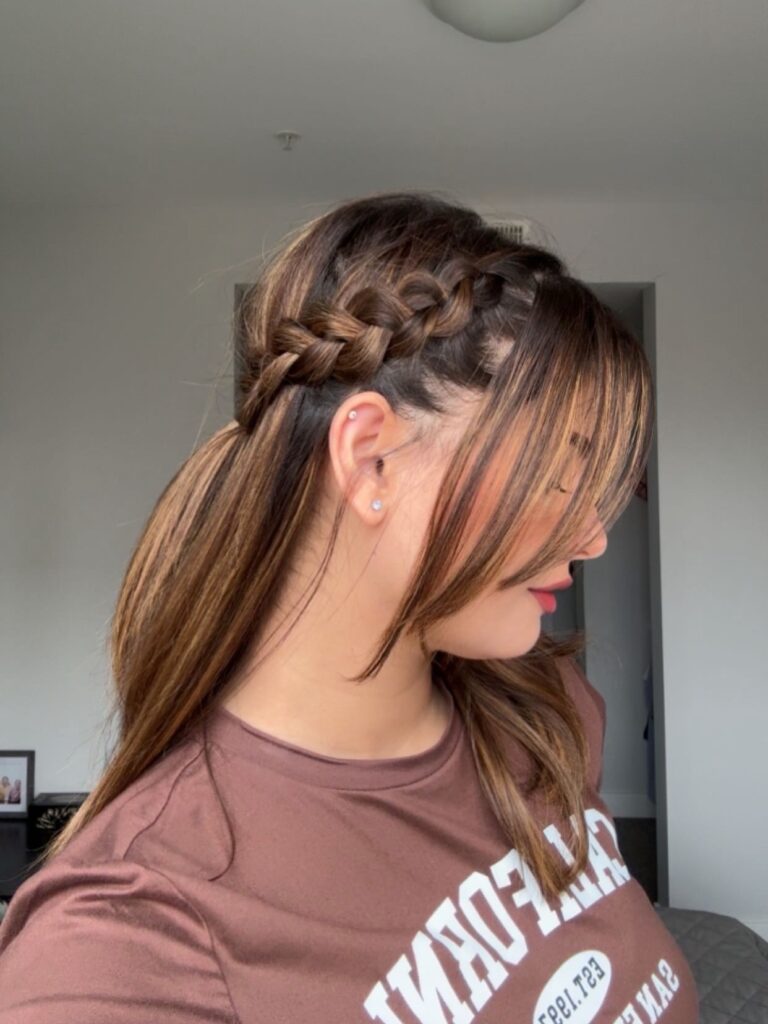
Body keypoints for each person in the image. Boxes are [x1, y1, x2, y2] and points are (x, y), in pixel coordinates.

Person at [0, 191, 698, 1022]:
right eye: (558, 473)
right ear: (371, 461)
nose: (592, 538)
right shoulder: (129, 949)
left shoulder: (542, 706)